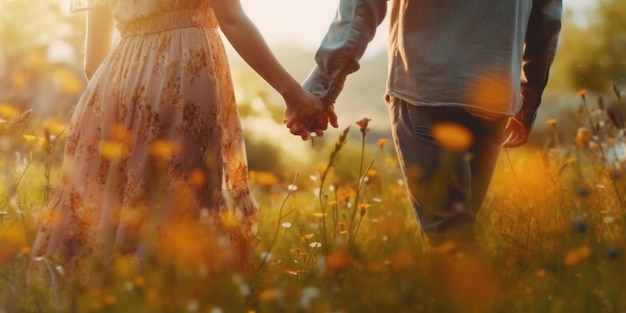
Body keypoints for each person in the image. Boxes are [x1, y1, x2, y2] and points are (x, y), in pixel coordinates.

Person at [31, 0, 328, 272]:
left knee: (117, 210)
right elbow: (232, 19)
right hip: (183, 77)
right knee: (182, 207)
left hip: (115, 88)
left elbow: (93, 63)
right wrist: (294, 95)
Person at [287, 0, 562, 248]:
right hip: (496, 97)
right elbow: (547, 17)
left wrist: (323, 86)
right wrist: (527, 102)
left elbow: (362, 6)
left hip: (427, 91)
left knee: (449, 241)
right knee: (457, 233)